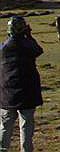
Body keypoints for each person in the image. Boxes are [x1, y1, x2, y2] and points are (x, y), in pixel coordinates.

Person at [0, 17, 43, 152]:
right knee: (26, 125)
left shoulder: (3, 48)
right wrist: (29, 36)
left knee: (5, 125)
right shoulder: (27, 46)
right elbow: (38, 50)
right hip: (28, 93)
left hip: (7, 94)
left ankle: (2, 148)